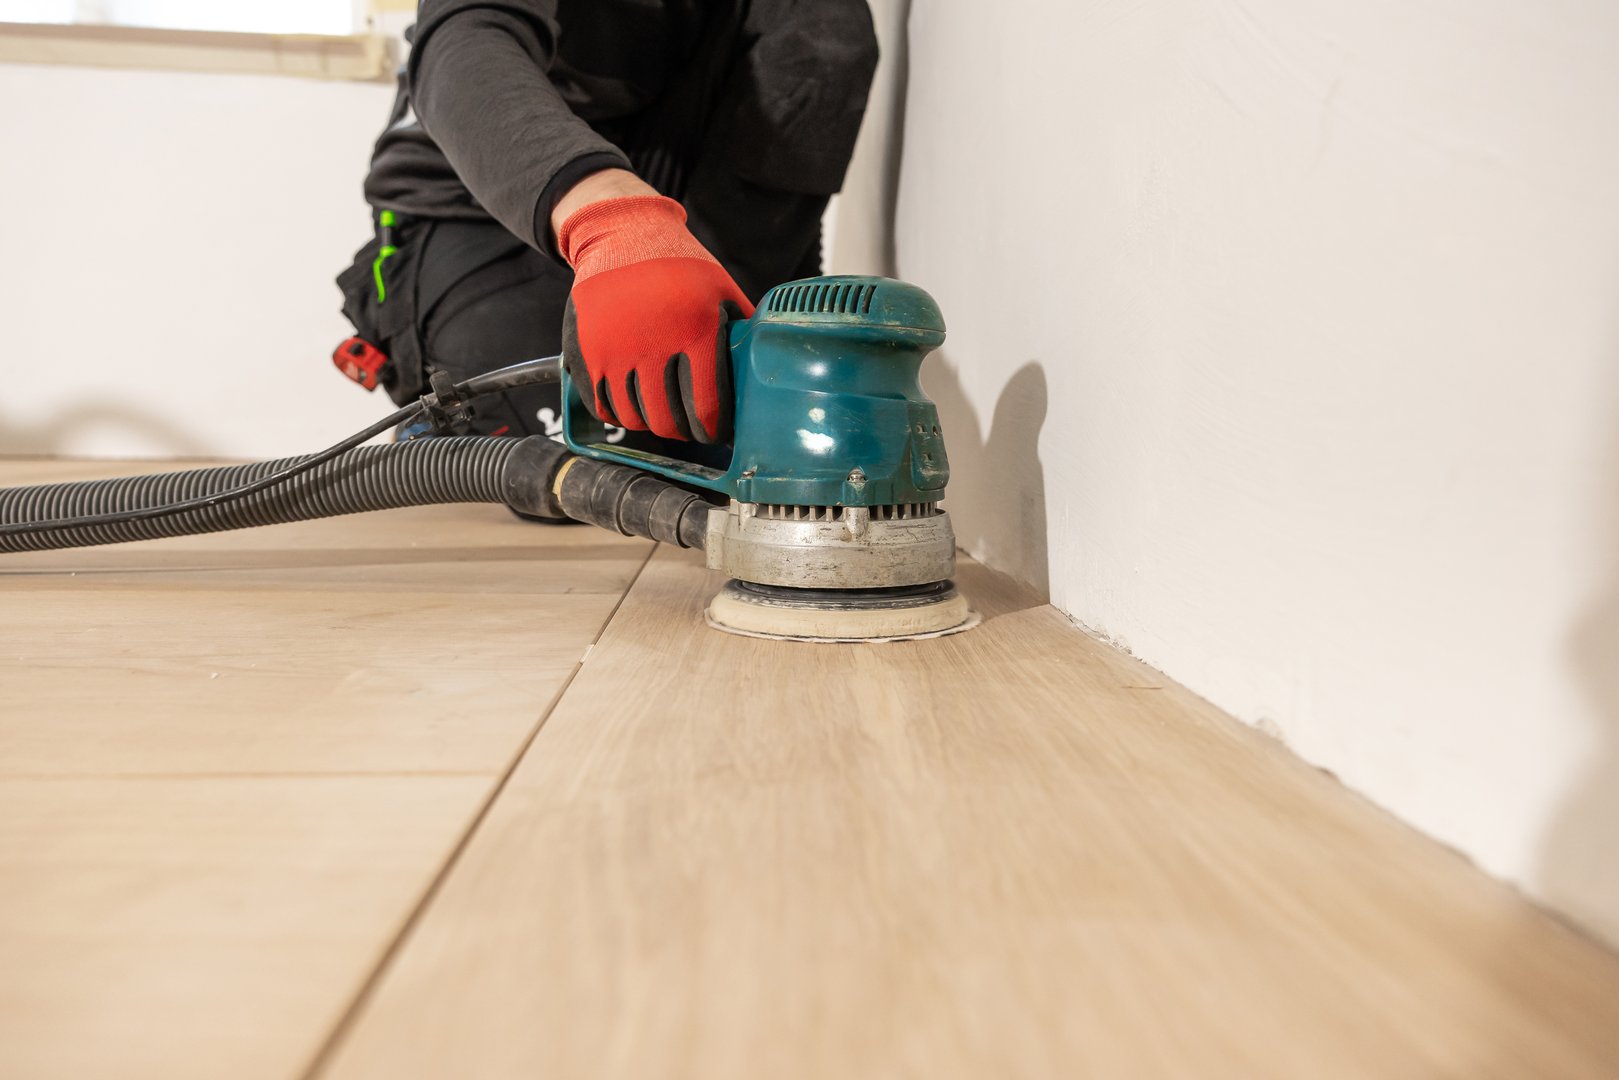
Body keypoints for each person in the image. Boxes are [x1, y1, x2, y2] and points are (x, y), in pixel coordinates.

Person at [335, 0, 879, 446]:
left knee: (698, 434)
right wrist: (615, 223)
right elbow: (467, 38)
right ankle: (442, 425)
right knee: (587, 458)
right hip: (483, 208)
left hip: (666, 194)